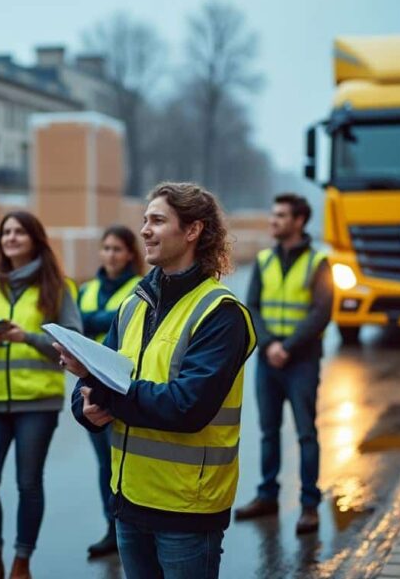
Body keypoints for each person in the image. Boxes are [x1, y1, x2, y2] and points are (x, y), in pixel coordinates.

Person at [61, 182, 256, 579]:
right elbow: (96, 381)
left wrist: (103, 394)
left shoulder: (221, 313)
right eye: (144, 220)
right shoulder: (133, 304)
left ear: (192, 231)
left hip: (187, 508)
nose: (144, 230)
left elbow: (187, 406)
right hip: (129, 500)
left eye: (157, 220)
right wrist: (85, 409)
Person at [0, 211, 82, 579]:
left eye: (19, 232)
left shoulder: (59, 288)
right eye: (6, 232)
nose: (10, 238)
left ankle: (21, 561)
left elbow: (71, 345)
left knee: (28, 483)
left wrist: (26, 337)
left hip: (38, 403)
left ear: (34, 239)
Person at [234, 193, 332, 534]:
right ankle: (267, 497)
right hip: (267, 361)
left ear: (299, 221)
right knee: (268, 431)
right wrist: (269, 344)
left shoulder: (318, 262)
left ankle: (309, 506)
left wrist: (287, 347)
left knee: (306, 433)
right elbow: (252, 307)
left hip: (301, 361)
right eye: (273, 214)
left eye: (280, 215)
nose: (273, 221)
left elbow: (322, 312)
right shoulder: (263, 260)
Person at [77, 225, 145, 558]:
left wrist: (95, 320)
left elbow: (108, 320)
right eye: (106, 248)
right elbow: (77, 322)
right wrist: (96, 319)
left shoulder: (140, 288)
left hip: (123, 386)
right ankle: (112, 528)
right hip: (91, 386)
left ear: (131, 254)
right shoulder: (87, 288)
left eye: (117, 249)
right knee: (105, 463)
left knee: (124, 463)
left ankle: (131, 528)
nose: (111, 255)